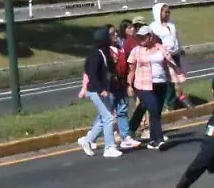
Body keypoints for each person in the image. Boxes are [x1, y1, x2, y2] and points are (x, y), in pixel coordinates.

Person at [127, 26, 183, 149]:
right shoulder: (136, 50)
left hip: (161, 84)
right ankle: (159, 139)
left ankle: (139, 133)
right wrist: (129, 85)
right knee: (153, 108)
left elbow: (169, 66)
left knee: (153, 110)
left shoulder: (160, 49)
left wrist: (177, 82)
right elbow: (131, 70)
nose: (141, 39)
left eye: (143, 37)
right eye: (139, 37)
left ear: (151, 36)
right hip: (142, 85)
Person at [77, 28, 124, 158]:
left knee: (105, 118)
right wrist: (101, 90)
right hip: (95, 91)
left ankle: (87, 140)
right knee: (109, 117)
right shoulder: (94, 55)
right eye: (108, 37)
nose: (111, 38)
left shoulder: (102, 53)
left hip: (101, 90)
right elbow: (92, 76)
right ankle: (109, 147)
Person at [149, 2, 187, 109]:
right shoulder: (153, 27)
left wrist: (180, 49)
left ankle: (177, 101)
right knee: (169, 81)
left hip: (175, 55)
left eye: (168, 12)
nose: (167, 14)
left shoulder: (171, 24)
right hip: (164, 57)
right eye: (165, 12)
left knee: (178, 79)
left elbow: (176, 38)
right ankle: (170, 104)